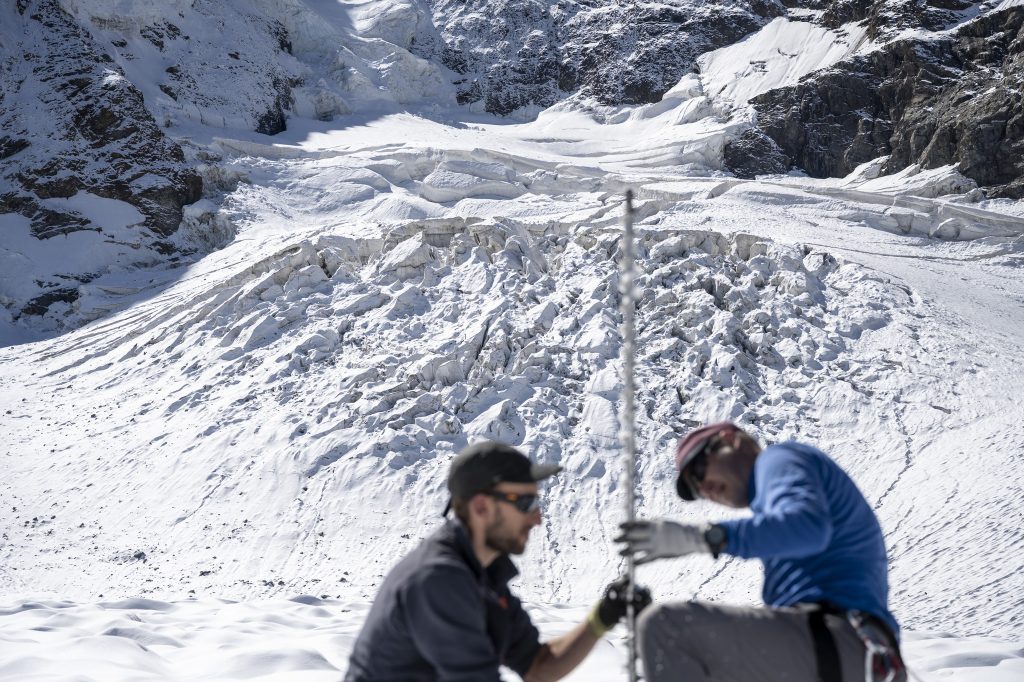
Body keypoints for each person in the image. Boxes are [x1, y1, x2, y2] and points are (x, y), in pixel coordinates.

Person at [616, 422, 906, 682]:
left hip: (837, 642)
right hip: (852, 653)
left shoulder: (777, 459)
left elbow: (808, 527)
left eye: (700, 470)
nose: (705, 488)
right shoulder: (772, 516)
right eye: (697, 488)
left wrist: (703, 537)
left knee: (666, 627)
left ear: (731, 439)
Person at [345, 439, 651, 682]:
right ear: (481, 507)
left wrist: (603, 616)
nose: (537, 518)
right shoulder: (438, 579)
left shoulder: (482, 577)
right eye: (526, 503)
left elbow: (538, 667)